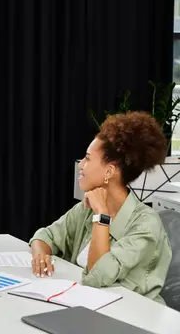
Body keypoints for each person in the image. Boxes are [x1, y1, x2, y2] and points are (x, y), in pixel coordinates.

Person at [29, 111, 172, 304]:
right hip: (88, 306)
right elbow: (46, 236)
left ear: (109, 171)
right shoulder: (86, 208)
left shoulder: (146, 225)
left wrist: (102, 216)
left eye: (88, 158)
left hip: (133, 317)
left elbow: (97, 277)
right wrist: (41, 256)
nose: (81, 165)